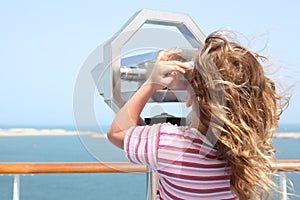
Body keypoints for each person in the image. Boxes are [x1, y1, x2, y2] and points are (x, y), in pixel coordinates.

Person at [107, 31, 285, 199]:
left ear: (191, 96)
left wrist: (151, 83)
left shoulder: (168, 143)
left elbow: (117, 133)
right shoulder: (247, 155)